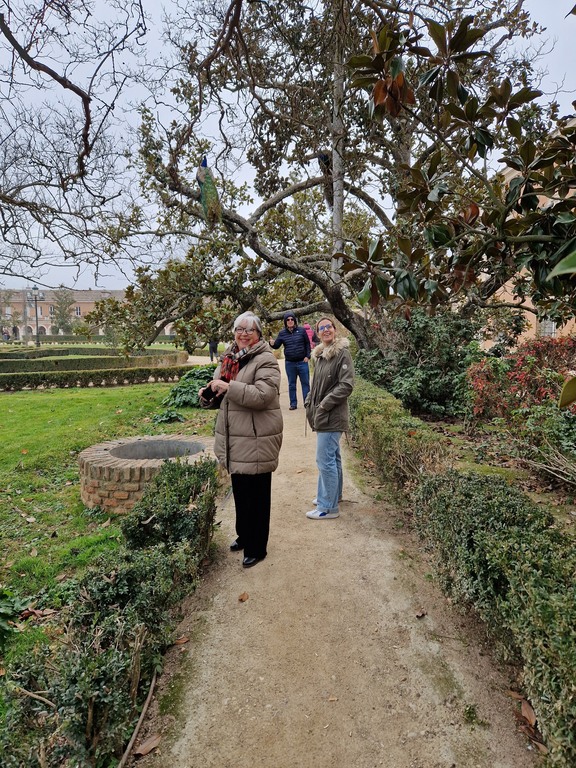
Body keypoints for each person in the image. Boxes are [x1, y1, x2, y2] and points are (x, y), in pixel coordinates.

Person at [199, 312, 283, 568]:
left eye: (249, 330)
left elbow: (263, 396)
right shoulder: (229, 358)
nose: (243, 334)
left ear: (258, 334)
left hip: (257, 439)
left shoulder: (266, 360)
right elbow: (224, 396)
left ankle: (257, 547)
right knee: (241, 493)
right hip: (235, 438)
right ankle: (245, 535)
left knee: (257, 497)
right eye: (239, 329)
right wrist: (209, 394)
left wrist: (229, 387)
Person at [304, 316, 354, 520]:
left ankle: (327, 507)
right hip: (324, 414)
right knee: (333, 457)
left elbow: (346, 385)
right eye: (321, 328)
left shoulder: (342, 354)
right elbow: (317, 385)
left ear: (335, 330)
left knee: (324, 460)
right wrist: (309, 400)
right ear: (317, 333)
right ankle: (334, 495)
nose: (325, 330)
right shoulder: (321, 356)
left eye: (329, 326)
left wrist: (324, 405)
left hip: (332, 416)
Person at [269, 311, 311, 410]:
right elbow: (277, 345)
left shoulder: (301, 330)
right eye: (288, 319)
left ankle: (307, 403)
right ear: (285, 321)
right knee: (292, 384)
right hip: (290, 363)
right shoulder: (282, 333)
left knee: (305, 383)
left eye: (292, 319)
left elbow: (307, 344)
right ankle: (293, 404)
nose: (290, 321)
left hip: (302, 362)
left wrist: (308, 356)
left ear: (294, 320)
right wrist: (271, 343)